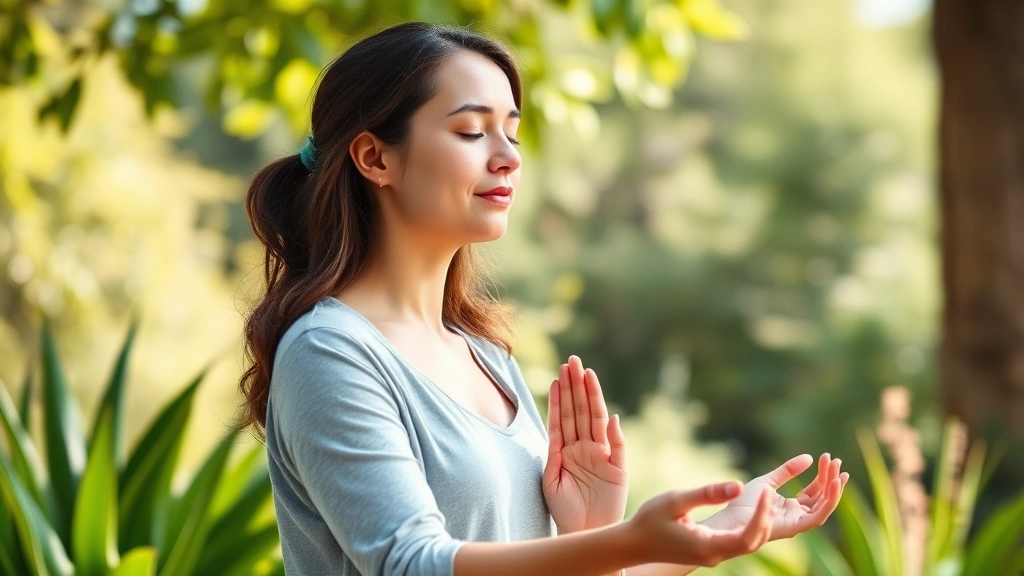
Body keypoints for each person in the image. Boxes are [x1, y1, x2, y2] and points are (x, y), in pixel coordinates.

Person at [240, 21, 848, 576]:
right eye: (471, 131)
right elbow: (410, 563)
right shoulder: (330, 352)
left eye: (512, 133)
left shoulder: (486, 357)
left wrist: (705, 532)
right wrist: (632, 541)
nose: (507, 158)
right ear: (375, 158)